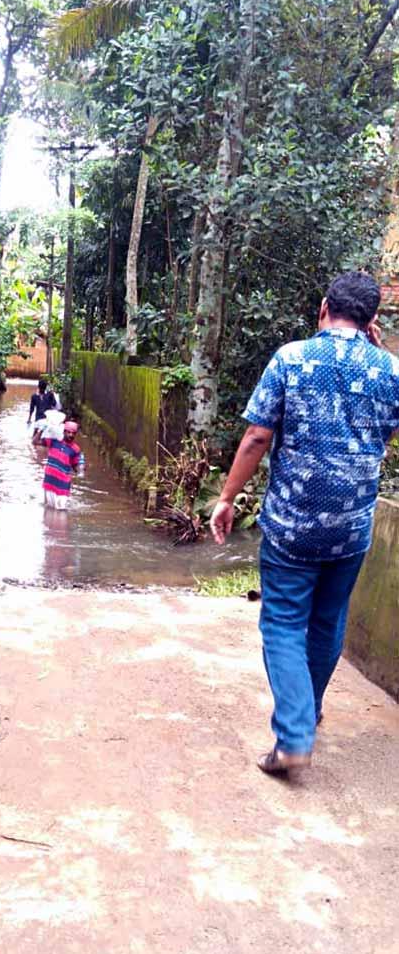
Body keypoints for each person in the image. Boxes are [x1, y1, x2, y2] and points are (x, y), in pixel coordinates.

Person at [210, 271, 399, 778]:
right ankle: (307, 710)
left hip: (292, 528)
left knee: (284, 622)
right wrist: (377, 357)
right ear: (372, 321)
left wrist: (227, 498)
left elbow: (255, 438)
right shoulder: (391, 371)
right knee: (328, 620)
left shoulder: (291, 359)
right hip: (352, 530)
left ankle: (294, 735)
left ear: (322, 309)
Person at [34, 420, 82, 510]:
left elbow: (76, 468)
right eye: (69, 432)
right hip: (49, 481)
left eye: (73, 433)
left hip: (63, 484)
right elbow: (35, 442)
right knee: (49, 509)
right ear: (64, 432)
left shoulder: (76, 449)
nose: (71, 435)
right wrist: (41, 430)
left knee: (61, 510)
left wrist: (81, 467)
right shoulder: (53, 441)